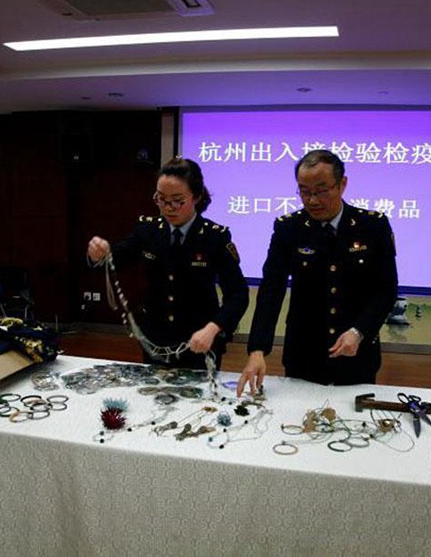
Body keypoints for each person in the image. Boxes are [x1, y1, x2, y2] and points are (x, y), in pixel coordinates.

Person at [238, 149, 398, 394]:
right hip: (303, 352)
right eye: (304, 191)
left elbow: (386, 290)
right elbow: (272, 290)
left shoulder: (372, 226)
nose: (312, 200)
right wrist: (257, 350)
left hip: (358, 351)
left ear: (342, 184)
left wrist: (359, 331)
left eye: (321, 191)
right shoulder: (288, 229)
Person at [87, 156, 248, 370]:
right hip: (155, 341)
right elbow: (114, 259)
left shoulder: (214, 237)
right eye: (161, 199)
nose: (168, 208)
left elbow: (238, 294)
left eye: (177, 201)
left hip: (200, 341)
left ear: (197, 196)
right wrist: (97, 253)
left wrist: (213, 328)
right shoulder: (148, 230)